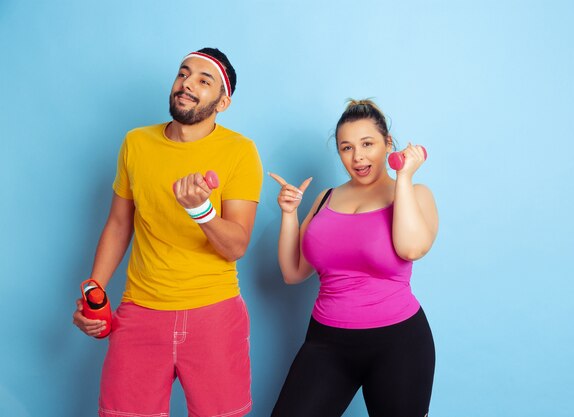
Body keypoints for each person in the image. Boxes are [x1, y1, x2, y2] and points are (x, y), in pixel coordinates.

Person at [72, 47, 263, 417]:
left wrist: (201, 211)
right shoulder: (136, 143)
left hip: (213, 315)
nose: (187, 84)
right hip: (140, 312)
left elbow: (236, 244)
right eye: (183, 74)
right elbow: (118, 223)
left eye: (203, 81)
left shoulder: (240, 151)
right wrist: (94, 289)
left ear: (222, 103)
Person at [269, 99, 438, 417]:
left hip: (398, 343)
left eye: (367, 144)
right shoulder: (325, 199)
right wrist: (289, 214)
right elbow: (293, 272)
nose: (357, 156)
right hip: (327, 342)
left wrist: (402, 177)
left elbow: (410, 249)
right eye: (346, 148)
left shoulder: (416, 195)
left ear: (388, 144)